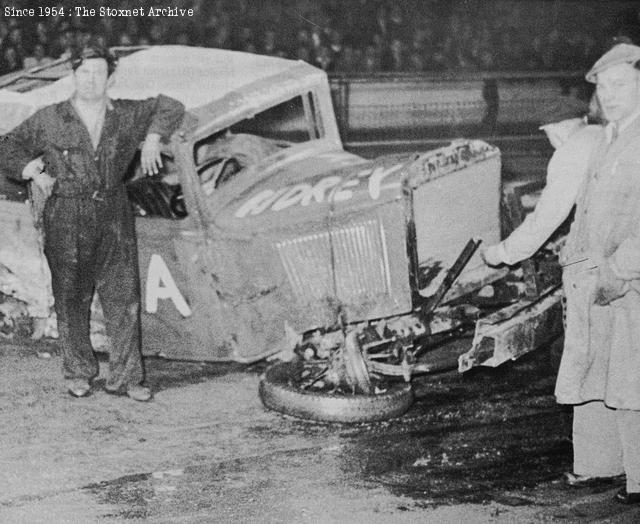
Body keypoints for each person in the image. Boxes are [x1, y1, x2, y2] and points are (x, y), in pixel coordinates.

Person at [483, 43, 640, 505]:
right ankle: (599, 467)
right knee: (596, 371)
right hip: (595, 275)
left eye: (622, 85)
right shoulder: (611, 136)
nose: (610, 95)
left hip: (625, 280)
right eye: (604, 87)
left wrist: (619, 269)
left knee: (631, 379)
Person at [0, 45, 185, 401]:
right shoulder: (51, 118)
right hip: (66, 213)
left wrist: (152, 138)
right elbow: (6, 145)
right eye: (84, 72)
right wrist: (30, 171)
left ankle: (127, 378)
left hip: (113, 211)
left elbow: (170, 105)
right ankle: (78, 372)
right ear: (73, 75)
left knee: (122, 296)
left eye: (99, 73)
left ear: (110, 77)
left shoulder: (127, 115)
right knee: (71, 298)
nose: (91, 80)